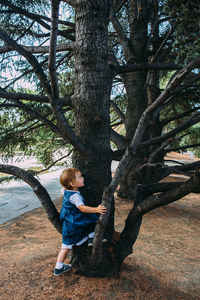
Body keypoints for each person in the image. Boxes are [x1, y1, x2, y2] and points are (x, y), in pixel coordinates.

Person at [54, 168, 107, 276]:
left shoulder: (66, 190)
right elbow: (82, 208)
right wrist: (96, 209)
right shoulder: (75, 196)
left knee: (65, 247)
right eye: (80, 177)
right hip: (74, 223)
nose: (83, 178)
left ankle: (58, 267)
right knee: (92, 218)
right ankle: (92, 237)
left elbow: (64, 186)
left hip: (69, 222)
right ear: (72, 183)